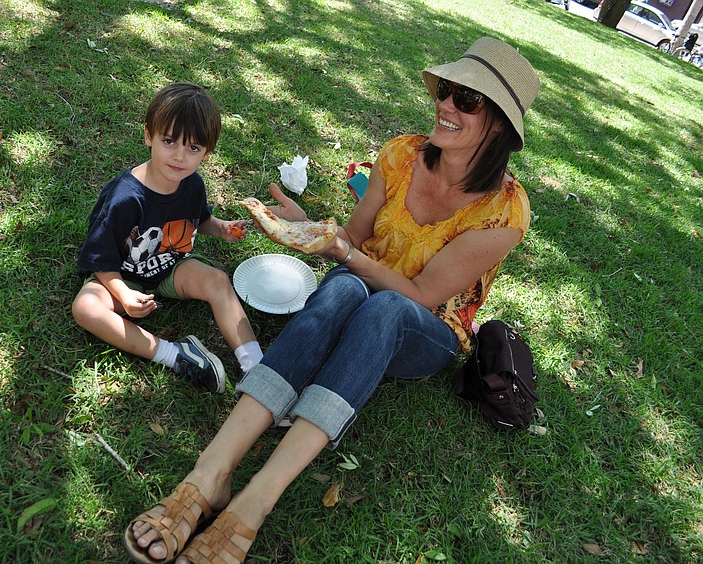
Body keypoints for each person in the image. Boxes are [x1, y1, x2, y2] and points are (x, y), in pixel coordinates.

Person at [123, 37, 541, 563]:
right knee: (345, 286)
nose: (446, 105)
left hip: (425, 329)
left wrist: (343, 251)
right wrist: (311, 231)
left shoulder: (505, 212)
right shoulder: (401, 155)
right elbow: (353, 239)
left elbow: (420, 295)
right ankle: (209, 475)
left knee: (385, 306)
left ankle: (254, 503)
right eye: (447, 91)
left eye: (468, 99)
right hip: (359, 289)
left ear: (499, 125)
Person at [72, 82, 262, 394]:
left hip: (171, 267)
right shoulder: (124, 198)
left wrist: (221, 228)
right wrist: (122, 293)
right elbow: (100, 257)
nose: (179, 156)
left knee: (217, 280)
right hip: (123, 275)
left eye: (193, 148)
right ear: (149, 135)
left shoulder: (192, 184)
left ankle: (256, 367)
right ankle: (175, 355)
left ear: (207, 152)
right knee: (86, 308)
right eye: (170, 141)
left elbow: (198, 219)